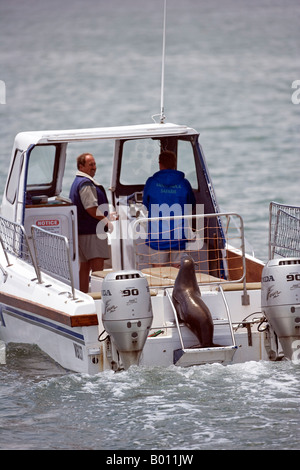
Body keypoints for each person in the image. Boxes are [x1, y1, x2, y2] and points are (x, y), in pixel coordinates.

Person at [142, 150, 196, 266]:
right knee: (177, 269)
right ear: (174, 164)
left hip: (157, 237)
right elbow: (191, 204)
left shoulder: (151, 183)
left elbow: (146, 204)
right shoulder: (184, 183)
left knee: (158, 272)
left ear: (160, 164)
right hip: (178, 235)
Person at [69, 153, 114, 292]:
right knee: (97, 269)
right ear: (81, 167)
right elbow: (91, 207)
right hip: (92, 233)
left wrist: (107, 214)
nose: (94, 167)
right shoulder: (85, 183)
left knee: (84, 267)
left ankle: (84, 295)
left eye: (94, 164)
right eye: (90, 165)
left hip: (82, 232)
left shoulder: (77, 181)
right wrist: (106, 220)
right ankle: (98, 298)